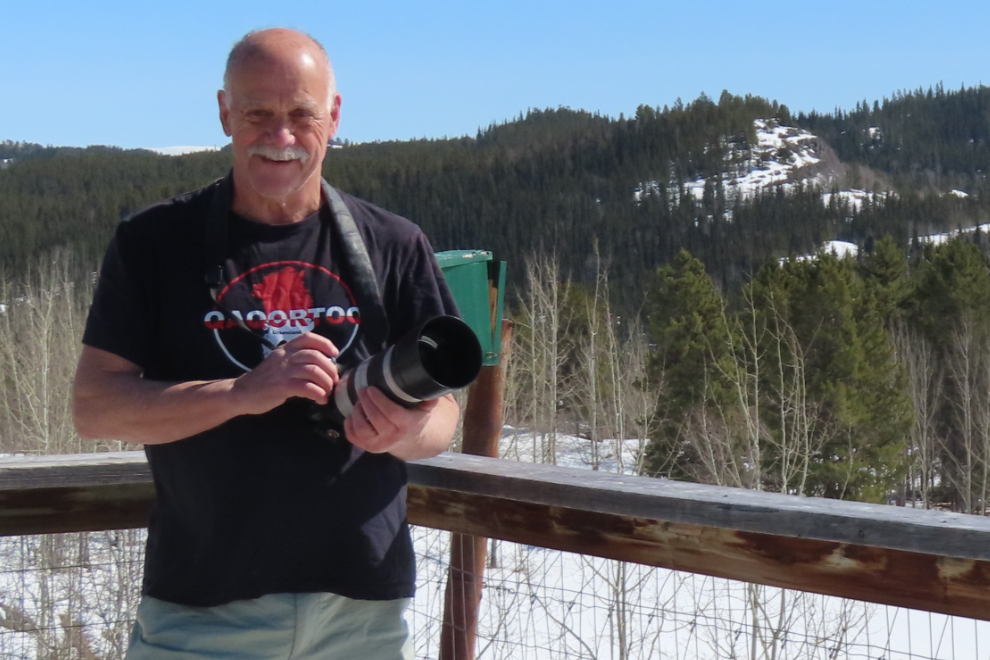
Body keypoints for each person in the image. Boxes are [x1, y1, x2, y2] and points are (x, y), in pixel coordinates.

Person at [72, 28, 460, 660]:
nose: (281, 138)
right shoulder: (153, 243)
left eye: (301, 114)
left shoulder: (393, 242)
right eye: (258, 114)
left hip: (360, 608)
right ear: (225, 112)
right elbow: (95, 407)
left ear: (333, 116)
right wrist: (238, 393)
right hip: (201, 611)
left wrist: (402, 432)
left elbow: (443, 414)